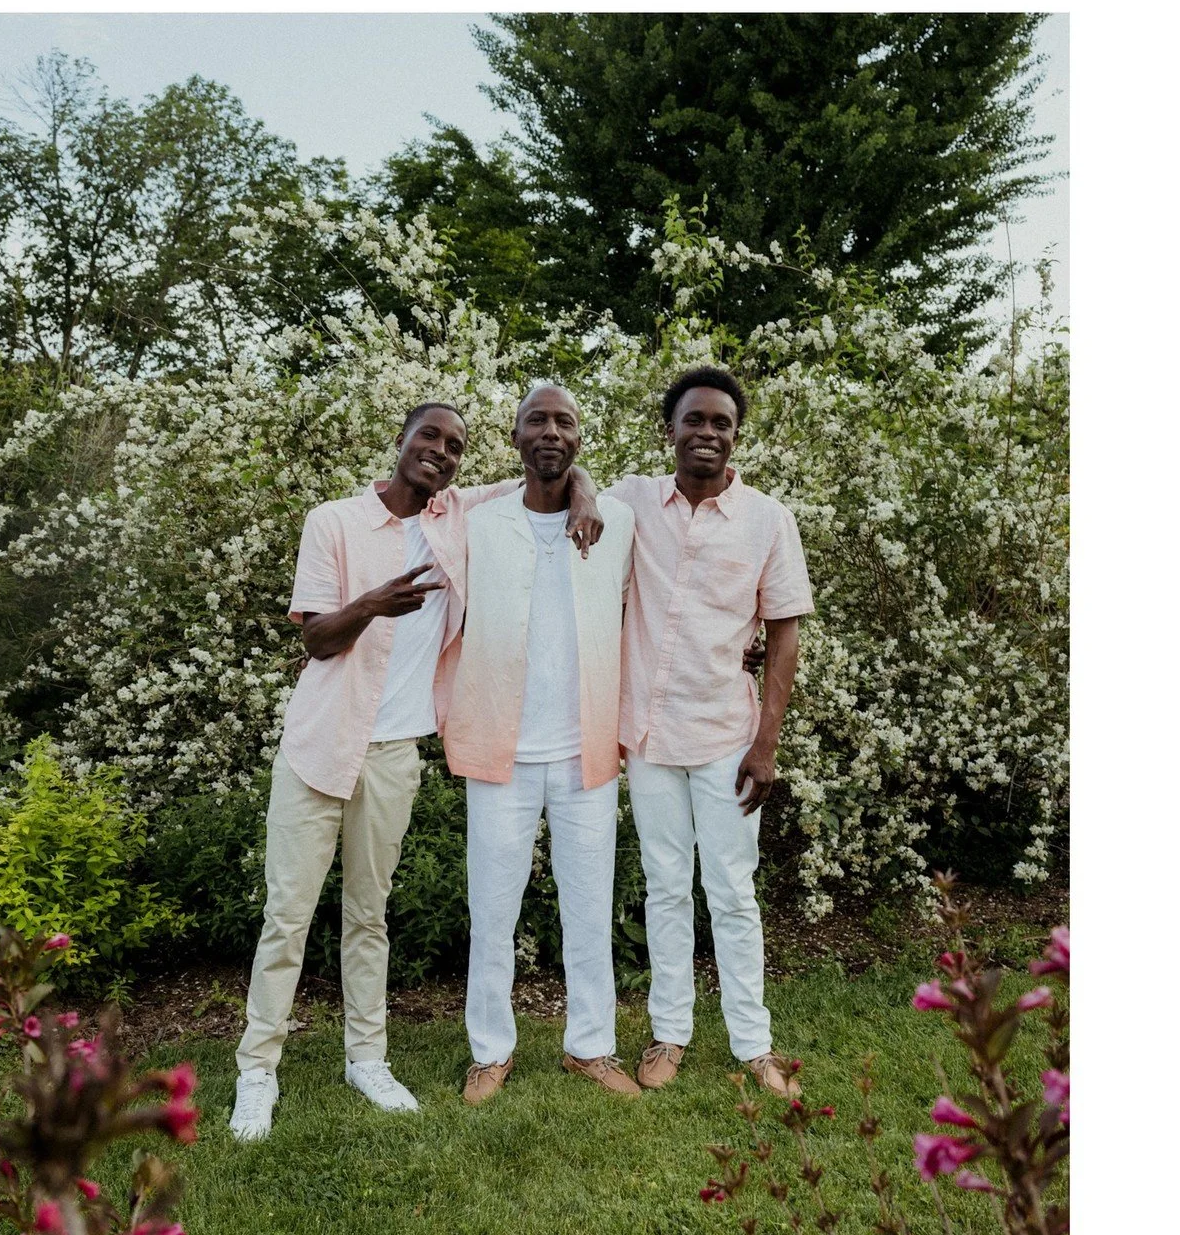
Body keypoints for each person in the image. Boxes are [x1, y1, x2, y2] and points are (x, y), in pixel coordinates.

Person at [229, 402, 601, 1140]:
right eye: (429, 437)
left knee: (370, 916)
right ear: (400, 440)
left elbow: (546, 474)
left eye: (455, 445)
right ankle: (256, 1071)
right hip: (319, 746)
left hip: (395, 753)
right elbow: (317, 642)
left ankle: (366, 1057)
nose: (441, 452)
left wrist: (585, 489)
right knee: (288, 916)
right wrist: (372, 603)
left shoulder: (455, 516)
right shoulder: (333, 522)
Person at [604, 366, 814, 1097]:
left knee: (731, 889)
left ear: (735, 436)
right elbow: (564, 490)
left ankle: (754, 1044)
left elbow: (783, 633)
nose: (708, 433)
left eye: (721, 423)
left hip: (728, 734)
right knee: (664, 887)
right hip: (649, 735)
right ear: (670, 429)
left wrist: (767, 743)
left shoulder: (767, 519)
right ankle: (669, 1033)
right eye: (694, 420)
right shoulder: (632, 502)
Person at [440, 384, 640, 1104]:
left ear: (581, 437)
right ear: (515, 435)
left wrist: (585, 493)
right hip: (501, 750)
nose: (550, 431)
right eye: (536, 421)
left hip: (587, 749)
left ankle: (591, 1047)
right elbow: (424, 503)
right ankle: (489, 1052)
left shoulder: (614, 519)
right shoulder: (479, 519)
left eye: (564, 422)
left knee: (590, 905)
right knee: (493, 909)